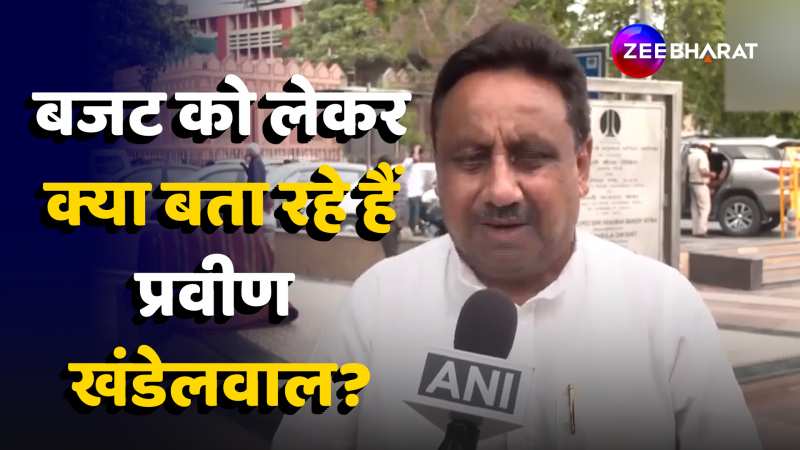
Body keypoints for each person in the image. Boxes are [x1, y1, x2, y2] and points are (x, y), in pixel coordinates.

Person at [273, 23, 761, 450]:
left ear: (581, 166)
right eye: (471, 158)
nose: (501, 190)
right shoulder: (377, 306)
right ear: (438, 170)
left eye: (531, 157)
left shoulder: (664, 310)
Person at [687, 143, 716, 237]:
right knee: (705, 208)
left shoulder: (691, 155)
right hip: (701, 184)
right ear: (705, 148)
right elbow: (703, 171)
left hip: (692, 183)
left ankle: (695, 231)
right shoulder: (702, 155)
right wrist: (712, 174)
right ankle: (702, 231)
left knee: (695, 209)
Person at [403, 144, 425, 235]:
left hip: (418, 192)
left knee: (418, 212)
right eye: (420, 154)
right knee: (414, 212)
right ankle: (413, 228)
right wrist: (416, 149)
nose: (421, 156)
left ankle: (417, 227)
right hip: (412, 192)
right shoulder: (408, 161)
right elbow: (415, 159)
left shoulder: (419, 164)